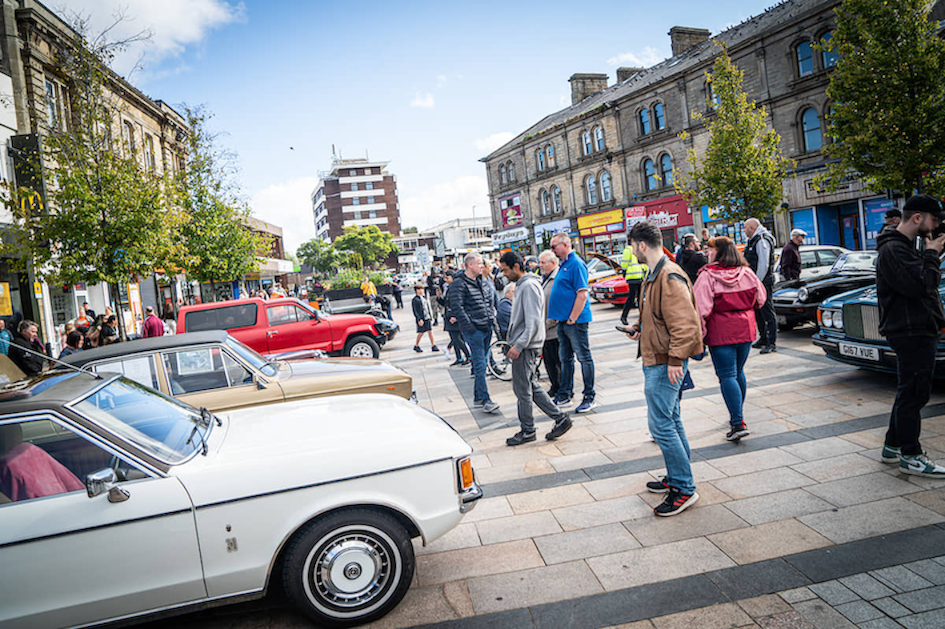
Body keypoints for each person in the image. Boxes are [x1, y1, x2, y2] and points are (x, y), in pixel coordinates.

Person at [623, 222, 703, 516]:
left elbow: (686, 324)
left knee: (661, 425)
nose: (632, 251)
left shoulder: (668, 275)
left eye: (632, 246)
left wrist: (674, 360)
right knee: (671, 419)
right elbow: (661, 318)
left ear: (642, 245)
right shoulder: (654, 275)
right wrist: (639, 329)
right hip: (658, 356)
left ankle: (684, 488)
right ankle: (678, 476)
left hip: (663, 361)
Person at [876, 194, 945, 478]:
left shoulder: (903, 247)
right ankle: (911, 454)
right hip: (911, 331)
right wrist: (932, 254)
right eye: (934, 220)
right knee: (915, 394)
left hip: (915, 328)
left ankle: (893, 446)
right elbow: (921, 285)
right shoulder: (895, 250)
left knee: (909, 390)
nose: (936, 227)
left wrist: (930, 254)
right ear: (917, 218)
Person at [693, 237, 767, 442]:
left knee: (727, 375)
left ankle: (738, 422)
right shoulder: (747, 273)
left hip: (720, 332)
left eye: (710, 249)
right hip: (745, 329)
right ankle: (738, 415)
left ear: (720, 251)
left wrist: (699, 335)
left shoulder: (707, 276)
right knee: (738, 372)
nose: (707, 253)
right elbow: (761, 298)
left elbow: (700, 309)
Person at [500, 251, 572, 446]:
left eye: (506, 270)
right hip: (526, 344)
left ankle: (528, 430)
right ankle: (560, 418)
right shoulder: (526, 284)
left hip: (526, 346)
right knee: (531, 385)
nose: (504, 274)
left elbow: (532, 321)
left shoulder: (529, 286)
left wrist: (518, 345)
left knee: (522, 390)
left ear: (516, 267)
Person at [548, 233, 597, 413]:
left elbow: (582, 293)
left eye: (555, 247)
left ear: (566, 245)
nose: (553, 251)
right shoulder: (564, 264)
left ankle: (589, 396)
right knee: (565, 358)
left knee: (583, 357)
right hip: (564, 320)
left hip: (574, 321)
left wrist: (573, 318)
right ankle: (564, 394)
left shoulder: (575, 264)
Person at [448, 252, 500, 414]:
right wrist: (469, 326)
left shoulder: (482, 281)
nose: (482, 266)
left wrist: (491, 319)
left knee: (482, 362)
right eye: (479, 263)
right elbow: (457, 306)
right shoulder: (459, 283)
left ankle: (478, 396)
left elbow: (489, 301)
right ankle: (485, 399)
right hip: (474, 329)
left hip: (486, 326)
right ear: (469, 265)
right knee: (479, 365)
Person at [744, 218, 777, 354]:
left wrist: (757, 282)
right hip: (755, 282)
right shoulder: (753, 240)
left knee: (767, 311)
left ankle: (771, 342)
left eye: (745, 228)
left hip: (763, 282)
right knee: (758, 311)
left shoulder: (762, 240)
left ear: (752, 228)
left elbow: (763, 265)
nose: (744, 231)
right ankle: (763, 338)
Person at [539, 250, 562, 400]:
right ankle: (554, 386)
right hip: (544, 331)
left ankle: (562, 387)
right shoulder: (544, 279)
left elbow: (560, 304)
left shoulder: (557, 279)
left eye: (543, 262)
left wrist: (549, 323)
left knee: (558, 361)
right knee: (548, 361)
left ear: (553, 263)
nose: (540, 265)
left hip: (554, 329)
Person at [442, 271, 470, 367]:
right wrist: (439, 298)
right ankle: (459, 358)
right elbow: (446, 303)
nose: (446, 280)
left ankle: (468, 356)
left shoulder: (455, 288)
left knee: (457, 339)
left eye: (447, 278)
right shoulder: (448, 288)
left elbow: (457, 303)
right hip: (449, 316)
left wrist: (455, 315)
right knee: (454, 338)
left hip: (454, 317)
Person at [620, 244, 648, 326]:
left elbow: (642, 262)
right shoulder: (629, 249)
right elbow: (625, 263)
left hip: (639, 276)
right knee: (633, 298)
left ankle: (642, 317)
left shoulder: (636, 248)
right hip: (634, 277)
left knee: (639, 298)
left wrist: (645, 272)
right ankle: (624, 316)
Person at [411, 284, 439, 353]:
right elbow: (415, 311)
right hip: (421, 318)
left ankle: (433, 345)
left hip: (427, 317)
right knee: (421, 332)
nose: (421, 291)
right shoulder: (415, 299)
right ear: (416, 291)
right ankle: (416, 345)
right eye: (419, 289)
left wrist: (430, 315)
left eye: (422, 289)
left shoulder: (424, 297)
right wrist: (419, 319)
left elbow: (427, 308)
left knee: (430, 331)